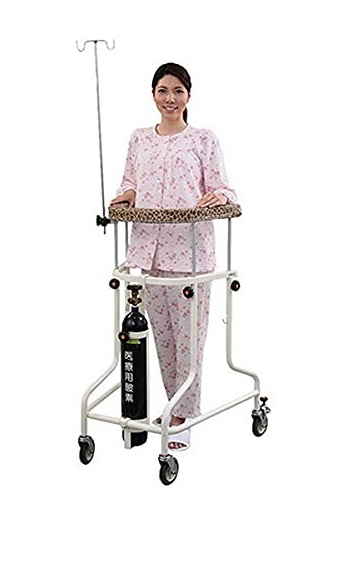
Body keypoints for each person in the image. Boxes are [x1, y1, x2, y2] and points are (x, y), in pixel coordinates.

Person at [110, 63, 237, 450]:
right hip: (149, 252)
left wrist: (219, 197)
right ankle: (174, 406)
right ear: (153, 94)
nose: (170, 98)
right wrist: (127, 195)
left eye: (178, 91)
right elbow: (130, 181)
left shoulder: (203, 140)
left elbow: (223, 188)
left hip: (190, 255)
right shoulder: (139, 140)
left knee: (189, 340)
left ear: (189, 96)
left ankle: (184, 415)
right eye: (163, 91)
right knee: (163, 338)